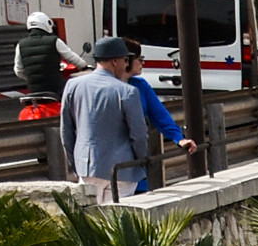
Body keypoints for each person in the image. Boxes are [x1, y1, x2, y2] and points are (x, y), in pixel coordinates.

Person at [60, 38, 192, 202]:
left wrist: (77, 163)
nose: (126, 64)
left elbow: (66, 131)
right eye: (125, 59)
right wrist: (142, 161)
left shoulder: (72, 85)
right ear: (115, 61)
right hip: (122, 170)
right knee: (114, 222)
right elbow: (138, 134)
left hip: (87, 168)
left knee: (90, 220)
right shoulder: (127, 91)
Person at [13, 12, 91, 124]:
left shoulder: (21, 45)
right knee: (76, 94)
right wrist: (84, 66)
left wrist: (31, 77)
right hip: (56, 88)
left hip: (34, 90)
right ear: (45, 24)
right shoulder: (54, 41)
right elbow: (72, 58)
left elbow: (18, 70)